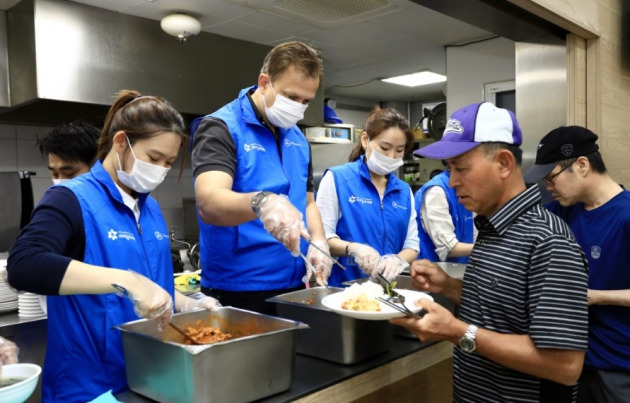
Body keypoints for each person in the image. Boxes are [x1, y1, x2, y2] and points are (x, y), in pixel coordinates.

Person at [7, 90, 219, 402]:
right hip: (91, 389)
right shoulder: (70, 198)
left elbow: (149, 284)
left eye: (169, 162)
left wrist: (185, 303)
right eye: (154, 158)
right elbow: (24, 266)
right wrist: (127, 280)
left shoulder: (150, 209)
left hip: (152, 379)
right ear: (121, 142)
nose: (160, 169)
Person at [391, 102, 589, 402]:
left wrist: (457, 331)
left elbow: (564, 366)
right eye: (449, 169)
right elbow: (505, 310)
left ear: (504, 163)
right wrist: (449, 287)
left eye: (461, 168)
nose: (453, 182)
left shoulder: (549, 241)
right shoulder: (492, 227)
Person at [190, 41, 332, 315]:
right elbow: (209, 202)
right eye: (291, 97)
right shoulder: (220, 127)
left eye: (306, 101)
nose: (298, 109)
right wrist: (262, 202)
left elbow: (308, 202)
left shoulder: (298, 139)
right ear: (264, 82)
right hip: (240, 289)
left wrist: (318, 240)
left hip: (294, 283)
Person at [523, 126, 630, 403]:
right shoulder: (563, 210)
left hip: (616, 366)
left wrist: (594, 297)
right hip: (568, 361)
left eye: (551, 178)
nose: (548, 188)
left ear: (582, 165)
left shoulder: (625, 216)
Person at [315, 107, 418, 286]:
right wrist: (354, 249)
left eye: (399, 150)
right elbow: (321, 238)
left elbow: (412, 244)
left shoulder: (404, 191)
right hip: (345, 289)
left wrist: (397, 260)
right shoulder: (338, 179)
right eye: (384, 148)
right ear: (365, 140)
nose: (391, 156)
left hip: (388, 290)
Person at [413, 168, 476, 263]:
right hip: (432, 269)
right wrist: (487, 249)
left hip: (461, 269)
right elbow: (447, 248)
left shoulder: (470, 187)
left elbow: (474, 234)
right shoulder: (436, 191)